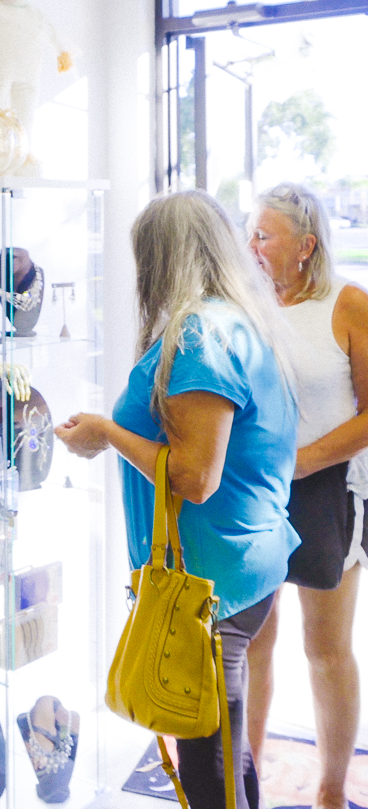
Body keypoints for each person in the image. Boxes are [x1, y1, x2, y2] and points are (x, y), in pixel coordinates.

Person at [56, 190, 299, 809]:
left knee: (209, 769)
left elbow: (196, 477)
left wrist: (109, 435)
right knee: (225, 751)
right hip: (243, 564)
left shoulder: (199, 337)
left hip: (211, 583)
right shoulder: (241, 319)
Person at [243, 182, 368, 809]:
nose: (251, 244)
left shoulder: (349, 305)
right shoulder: (246, 305)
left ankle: (329, 791)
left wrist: (302, 463)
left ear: (306, 246)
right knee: (252, 642)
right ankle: (249, 782)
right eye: (251, 232)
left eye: (264, 235)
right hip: (254, 489)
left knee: (324, 649)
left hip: (327, 487)